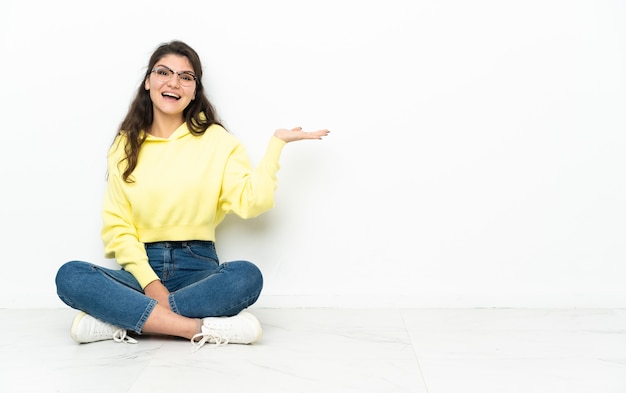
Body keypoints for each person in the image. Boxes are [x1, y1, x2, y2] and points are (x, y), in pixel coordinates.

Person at [55, 40, 329, 350]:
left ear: (195, 90)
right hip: (140, 267)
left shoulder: (217, 141)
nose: (173, 82)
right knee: (71, 276)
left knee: (246, 277)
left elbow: (253, 203)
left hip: (198, 267)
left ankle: (119, 320)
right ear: (148, 82)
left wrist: (276, 145)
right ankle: (194, 328)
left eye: (186, 77)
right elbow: (118, 225)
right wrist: (150, 283)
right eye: (164, 72)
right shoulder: (125, 144)